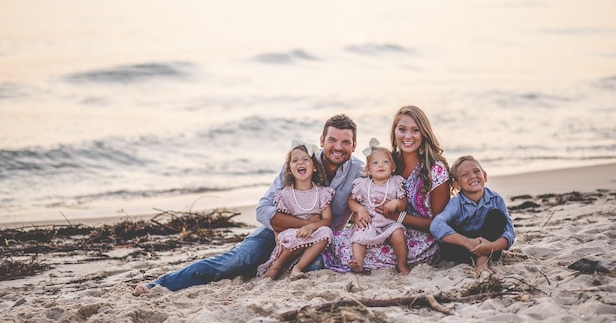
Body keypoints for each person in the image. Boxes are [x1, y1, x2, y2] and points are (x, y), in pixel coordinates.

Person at [133, 114, 363, 295]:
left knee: (315, 268)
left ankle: (274, 266)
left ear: (354, 145)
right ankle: (159, 285)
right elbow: (263, 210)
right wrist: (306, 223)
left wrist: (316, 227)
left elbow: (381, 196)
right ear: (322, 140)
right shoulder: (301, 162)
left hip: (318, 241)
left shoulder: (359, 172)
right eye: (332, 140)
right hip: (275, 233)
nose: (338, 147)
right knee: (237, 261)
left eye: (346, 142)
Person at [323, 105, 451, 272]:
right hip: (380, 226)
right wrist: (359, 213)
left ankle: (399, 264)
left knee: (354, 252)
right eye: (402, 129)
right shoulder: (389, 163)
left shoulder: (435, 170)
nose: (408, 136)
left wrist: (398, 217)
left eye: (415, 130)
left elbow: (439, 224)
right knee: (339, 240)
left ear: (424, 133)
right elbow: (366, 194)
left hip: (419, 238)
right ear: (394, 132)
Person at [256, 140, 334, 280]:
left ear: (315, 167)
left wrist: (311, 226)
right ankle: (277, 266)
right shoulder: (285, 194)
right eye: (295, 160)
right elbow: (280, 222)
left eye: (305, 159)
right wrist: (280, 235)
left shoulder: (322, 193)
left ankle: (298, 268)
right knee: (294, 235)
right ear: (289, 169)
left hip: (314, 235)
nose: (300, 163)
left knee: (326, 232)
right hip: (292, 236)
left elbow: (327, 220)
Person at [430, 155, 515, 274]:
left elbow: (509, 231)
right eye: (465, 175)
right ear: (457, 185)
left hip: (490, 246)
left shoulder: (496, 199)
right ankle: (480, 258)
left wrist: (491, 246)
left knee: (497, 216)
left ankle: (482, 260)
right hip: (463, 249)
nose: (473, 176)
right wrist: (468, 242)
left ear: (484, 176)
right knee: (446, 236)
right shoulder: (456, 203)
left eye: (476, 171)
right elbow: (436, 225)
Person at [348, 138, 410, 275]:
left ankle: (402, 264)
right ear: (368, 170)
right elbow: (351, 201)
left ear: (393, 167)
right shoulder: (363, 184)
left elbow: (404, 203)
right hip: (370, 221)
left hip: (389, 222)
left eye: (385, 162)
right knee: (358, 237)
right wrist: (360, 209)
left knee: (398, 234)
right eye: (375, 163)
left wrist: (396, 203)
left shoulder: (395, 182)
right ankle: (358, 261)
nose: (380, 165)